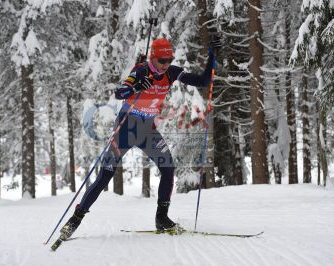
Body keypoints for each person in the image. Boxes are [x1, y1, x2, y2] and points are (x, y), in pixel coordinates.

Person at [60, 36, 221, 239]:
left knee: (168, 168)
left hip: (147, 131)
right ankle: (75, 219)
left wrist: (212, 57)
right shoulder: (140, 71)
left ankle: (162, 218)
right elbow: (120, 93)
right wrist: (136, 86)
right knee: (104, 176)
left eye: (169, 60)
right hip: (126, 128)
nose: (166, 65)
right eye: (162, 61)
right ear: (153, 58)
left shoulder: (172, 73)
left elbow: (203, 81)